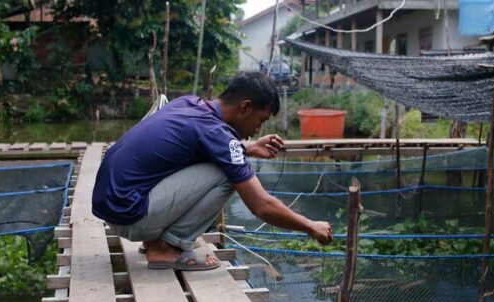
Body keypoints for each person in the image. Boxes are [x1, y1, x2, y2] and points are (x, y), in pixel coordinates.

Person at [92, 72, 333, 270]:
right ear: (245, 107)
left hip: (117, 209)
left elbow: (205, 143)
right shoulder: (217, 134)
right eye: (261, 120)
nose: (259, 129)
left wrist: (248, 147)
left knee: (229, 161)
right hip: (132, 217)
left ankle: (158, 239)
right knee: (228, 173)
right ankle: (164, 248)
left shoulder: (188, 103)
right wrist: (310, 226)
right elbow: (262, 205)